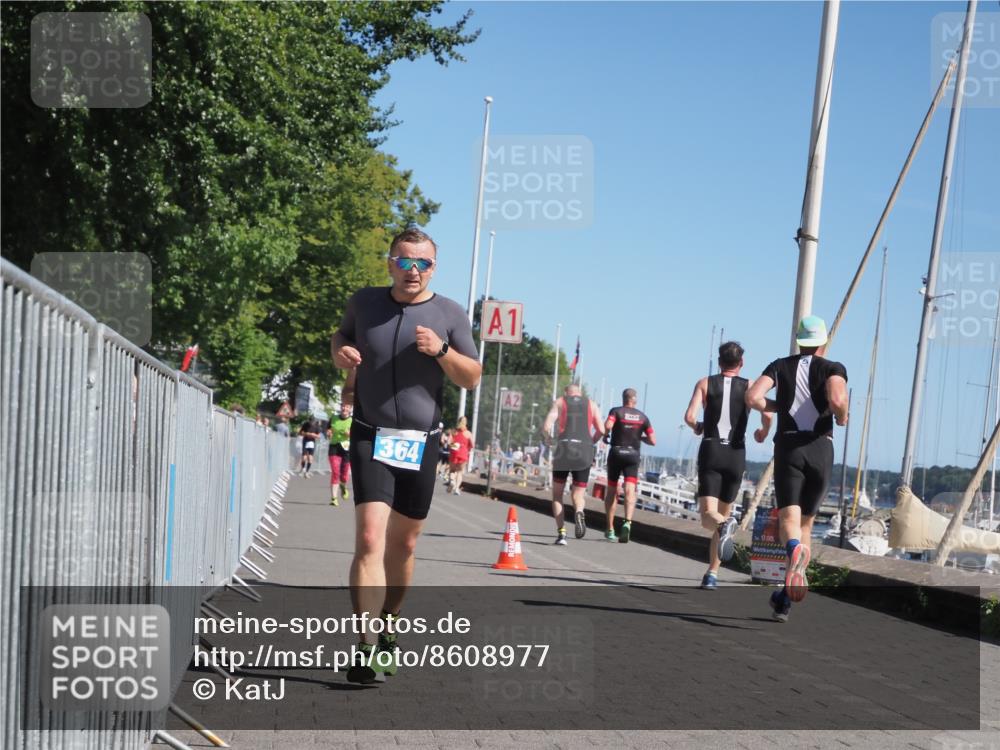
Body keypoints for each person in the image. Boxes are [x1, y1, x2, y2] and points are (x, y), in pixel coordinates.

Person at [330, 227, 481, 683]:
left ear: (434, 267)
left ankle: (391, 623)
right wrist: (341, 353)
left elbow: (471, 377)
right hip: (370, 434)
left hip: (422, 439)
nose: (412, 270)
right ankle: (365, 646)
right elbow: (339, 338)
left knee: (405, 544)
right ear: (389, 261)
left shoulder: (450, 313)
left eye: (423, 263)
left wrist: (442, 351)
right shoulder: (365, 302)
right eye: (404, 260)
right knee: (371, 539)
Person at [746, 316, 848, 622]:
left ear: (798, 340)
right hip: (820, 447)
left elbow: (752, 396)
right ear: (824, 341)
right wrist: (841, 417)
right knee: (806, 524)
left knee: (788, 521)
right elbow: (837, 397)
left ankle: (793, 550)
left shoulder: (779, 365)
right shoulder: (833, 367)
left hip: (789, 445)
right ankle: (783, 600)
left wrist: (777, 407)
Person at [684, 342, 772, 589]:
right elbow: (767, 414)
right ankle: (712, 573)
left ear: (719, 361)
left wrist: (697, 427)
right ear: (741, 363)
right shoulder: (749, 386)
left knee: (708, 517)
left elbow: (689, 417)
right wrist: (763, 432)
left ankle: (724, 526)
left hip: (712, 449)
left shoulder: (704, 383)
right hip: (736, 452)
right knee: (723, 511)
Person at [541, 383, 605, 545]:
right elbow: (602, 430)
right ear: (580, 392)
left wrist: (549, 440)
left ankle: (562, 534)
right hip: (584, 449)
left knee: (557, 494)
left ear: (566, 392)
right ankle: (579, 511)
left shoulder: (561, 402)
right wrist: (592, 441)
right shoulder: (592, 404)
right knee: (578, 494)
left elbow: (546, 426)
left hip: (564, 448)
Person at [604, 388, 656, 543]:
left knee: (612, 489)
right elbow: (653, 441)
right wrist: (640, 438)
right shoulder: (643, 417)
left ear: (623, 398)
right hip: (633, 455)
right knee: (629, 489)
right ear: (635, 400)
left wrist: (607, 434)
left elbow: (607, 425)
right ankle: (627, 522)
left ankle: (610, 528)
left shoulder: (616, 411)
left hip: (616, 452)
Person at [327, 404, 353, 506]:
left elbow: (355, 434)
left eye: (347, 407)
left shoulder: (352, 420)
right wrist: (329, 432)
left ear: (350, 409)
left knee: (344, 475)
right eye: (343, 406)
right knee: (335, 472)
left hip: (346, 449)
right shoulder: (333, 418)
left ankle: (343, 485)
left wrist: (349, 434)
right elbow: (328, 429)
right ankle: (334, 498)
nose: (344, 408)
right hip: (334, 447)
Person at [448, 417, 473, 494]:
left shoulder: (454, 431)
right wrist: (466, 448)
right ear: (466, 423)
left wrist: (455, 446)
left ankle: (452, 481)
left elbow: (449, 443)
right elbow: (472, 445)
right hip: (463, 453)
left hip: (454, 452)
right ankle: (456, 488)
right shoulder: (468, 433)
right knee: (460, 472)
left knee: (452, 470)